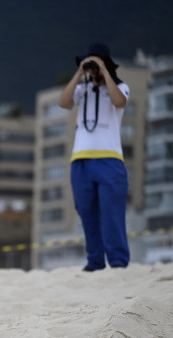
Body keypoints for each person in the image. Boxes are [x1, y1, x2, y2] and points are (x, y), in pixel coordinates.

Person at [58, 43, 130, 271]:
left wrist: (105, 71)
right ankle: (95, 261)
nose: (94, 68)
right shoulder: (83, 90)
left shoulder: (120, 87)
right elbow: (63, 102)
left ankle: (118, 262)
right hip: (81, 160)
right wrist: (80, 71)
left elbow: (120, 101)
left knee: (112, 213)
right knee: (86, 212)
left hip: (110, 159)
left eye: (96, 63)